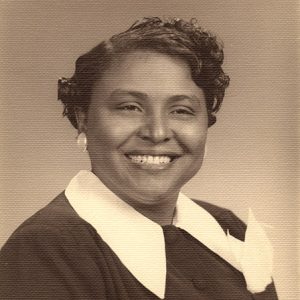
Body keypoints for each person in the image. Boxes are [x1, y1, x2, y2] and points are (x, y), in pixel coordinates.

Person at [0, 17, 278, 299]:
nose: (157, 132)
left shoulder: (227, 228)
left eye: (181, 110)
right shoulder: (47, 248)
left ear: (206, 121)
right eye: (130, 107)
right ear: (83, 118)